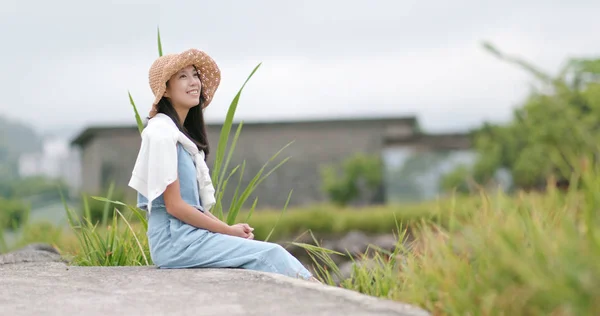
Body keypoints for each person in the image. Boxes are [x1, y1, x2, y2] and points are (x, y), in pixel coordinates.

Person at [128, 48, 320, 283]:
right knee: (271, 253)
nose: (194, 82)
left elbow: (193, 207)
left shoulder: (179, 138)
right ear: (165, 90)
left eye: (195, 75)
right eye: (182, 77)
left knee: (264, 253)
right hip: (174, 241)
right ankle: (327, 298)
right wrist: (228, 232)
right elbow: (175, 207)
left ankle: (324, 295)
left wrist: (229, 228)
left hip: (186, 237)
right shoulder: (161, 134)